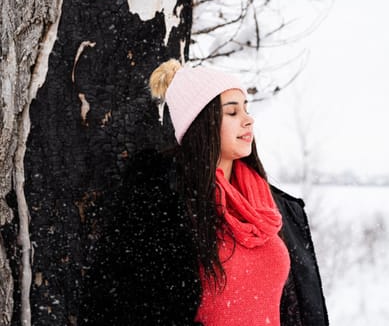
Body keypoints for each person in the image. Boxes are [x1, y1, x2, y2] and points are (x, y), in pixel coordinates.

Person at [80, 59, 329, 325]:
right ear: (202, 124)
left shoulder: (271, 208)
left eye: (246, 109)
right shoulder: (162, 204)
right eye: (232, 113)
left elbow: (298, 307)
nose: (248, 120)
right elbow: (120, 305)